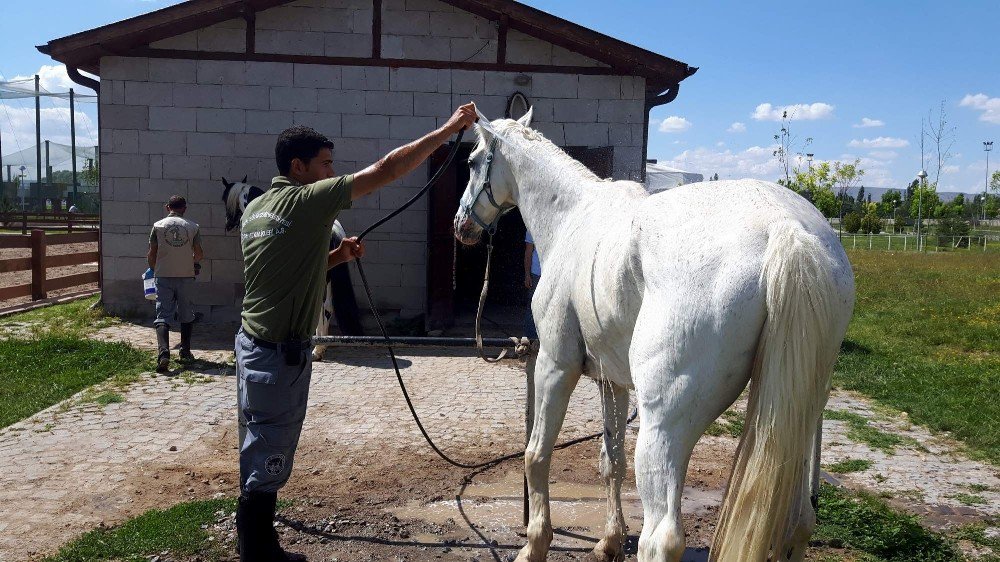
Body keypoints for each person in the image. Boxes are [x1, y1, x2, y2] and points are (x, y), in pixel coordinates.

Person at [234, 103, 478, 562]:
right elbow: (388, 168)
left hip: (252, 345)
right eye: (325, 164)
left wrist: (336, 258)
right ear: (298, 167)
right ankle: (258, 553)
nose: (332, 172)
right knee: (272, 446)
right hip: (278, 351)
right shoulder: (308, 199)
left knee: (258, 437)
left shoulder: (258, 209)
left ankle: (256, 543)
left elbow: (284, 274)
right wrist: (450, 128)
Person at [147, 195, 203, 373]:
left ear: (167, 207)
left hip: (163, 275)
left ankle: (164, 354)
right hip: (186, 275)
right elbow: (199, 253)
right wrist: (192, 263)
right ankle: (185, 352)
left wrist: (155, 269)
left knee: (163, 315)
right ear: (184, 209)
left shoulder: (157, 226)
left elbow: (151, 253)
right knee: (186, 313)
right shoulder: (193, 227)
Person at [523, 229, 542, 340]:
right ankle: (530, 339)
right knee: (532, 305)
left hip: (552, 272)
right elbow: (528, 252)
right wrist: (527, 275)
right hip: (537, 272)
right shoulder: (531, 227)